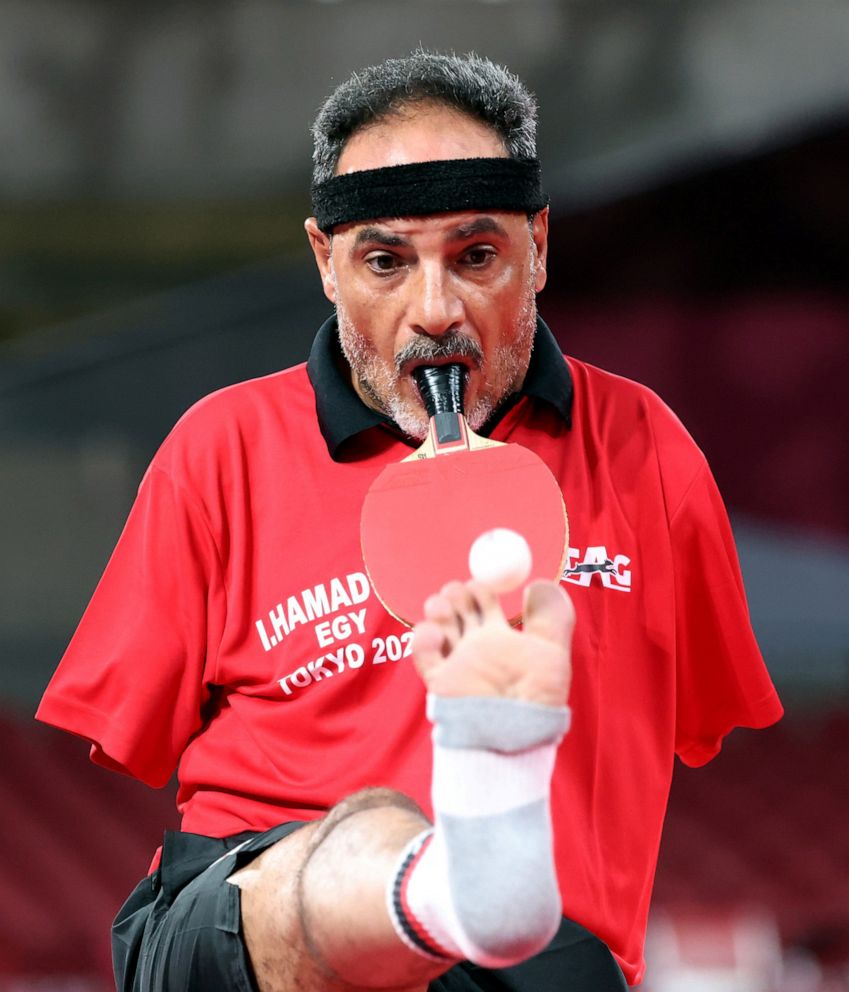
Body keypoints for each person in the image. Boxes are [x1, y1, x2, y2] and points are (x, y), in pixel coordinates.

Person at [36, 51, 784, 991]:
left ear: (539, 247)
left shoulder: (646, 449)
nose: (434, 313)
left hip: (536, 970)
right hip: (246, 930)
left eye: (476, 258)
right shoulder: (217, 447)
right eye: (385, 262)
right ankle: (446, 883)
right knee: (369, 840)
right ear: (324, 263)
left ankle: (477, 892)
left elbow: (690, 729)